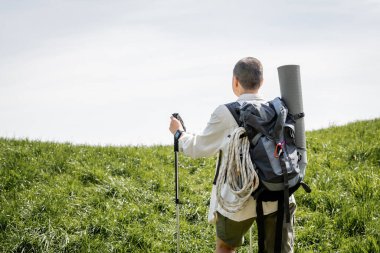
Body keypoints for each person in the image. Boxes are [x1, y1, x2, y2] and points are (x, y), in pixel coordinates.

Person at [169, 57, 296, 253]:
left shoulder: (225, 112)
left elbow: (198, 147)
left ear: (235, 81)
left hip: (239, 199)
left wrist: (179, 134)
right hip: (279, 191)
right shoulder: (278, 108)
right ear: (261, 82)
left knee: (225, 247)